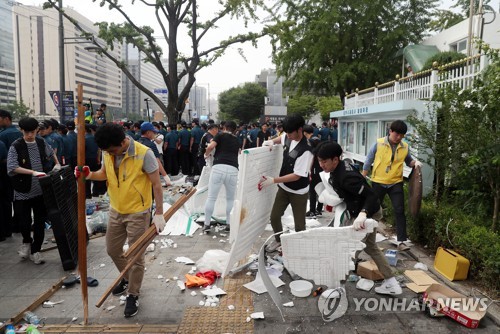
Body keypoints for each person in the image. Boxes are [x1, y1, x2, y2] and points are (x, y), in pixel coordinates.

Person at [75, 122, 165, 318]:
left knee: (136, 256)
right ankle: (126, 278)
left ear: (123, 141)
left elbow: (156, 185)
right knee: (113, 249)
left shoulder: (144, 153)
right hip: (116, 209)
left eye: (113, 150)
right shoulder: (108, 152)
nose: (111, 154)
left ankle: (133, 294)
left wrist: (159, 213)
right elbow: (103, 174)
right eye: (107, 151)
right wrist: (88, 175)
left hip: (138, 213)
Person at [316, 141, 403, 295]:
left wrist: (363, 213)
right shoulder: (338, 169)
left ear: (335, 159)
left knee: (349, 249)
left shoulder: (347, 176)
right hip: (362, 212)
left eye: (324, 161)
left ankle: (339, 287)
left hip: (368, 214)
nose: (321, 165)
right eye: (319, 161)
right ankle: (392, 283)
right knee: (371, 247)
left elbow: (372, 195)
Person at [362, 120, 422, 251]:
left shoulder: (404, 146)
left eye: (402, 135)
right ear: (390, 131)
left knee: (399, 210)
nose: (399, 138)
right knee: (372, 210)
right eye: (397, 135)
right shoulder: (379, 143)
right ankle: (365, 237)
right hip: (378, 181)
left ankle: (401, 241)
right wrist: (363, 177)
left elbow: (408, 161)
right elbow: (368, 160)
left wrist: (415, 163)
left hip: (395, 182)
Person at [7, 117, 60, 265]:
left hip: (40, 189)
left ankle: (36, 250)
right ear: (21, 130)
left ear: (37, 130)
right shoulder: (16, 146)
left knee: (39, 221)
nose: (30, 135)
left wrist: (57, 164)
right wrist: (32, 172)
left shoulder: (41, 142)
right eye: (26, 132)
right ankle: (26, 241)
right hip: (22, 190)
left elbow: (51, 153)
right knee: (24, 221)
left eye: (32, 132)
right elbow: (12, 167)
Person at [258, 115, 314, 252]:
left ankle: (300, 250)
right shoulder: (288, 137)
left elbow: (297, 176)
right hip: (284, 188)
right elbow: (280, 138)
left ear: (299, 130)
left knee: (299, 225)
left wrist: (273, 180)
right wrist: (271, 141)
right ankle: (279, 240)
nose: (287, 136)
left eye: (290, 133)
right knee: (274, 217)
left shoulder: (306, 150)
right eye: (286, 132)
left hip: (299, 192)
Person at [202, 121, 240, 234]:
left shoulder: (220, 135)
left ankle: (207, 225)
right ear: (234, 130)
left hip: (218, 167)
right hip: (233, 169)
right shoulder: (237, 139)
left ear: (224, 127)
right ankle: (229, 224)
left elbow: (211, 146)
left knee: (211, 198)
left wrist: (206, 154)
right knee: (230, 199)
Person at [137, 122, 170, 187]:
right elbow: (157, 161)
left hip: (140, 176)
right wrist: (166, 177)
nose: (154, 134)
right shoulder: (151, 145)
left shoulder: (137, 143)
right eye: (153, 132)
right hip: (150, 175)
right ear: (148, 132)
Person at [302, 124, 323, 218]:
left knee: (312, 190)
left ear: (305, 133)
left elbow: (311, 156)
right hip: (322, 168)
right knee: (321, 189)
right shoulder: (318, 139)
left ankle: (312, 211)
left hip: (314, 168)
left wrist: (308, 170)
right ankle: (319, 209)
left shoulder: (310, 141)